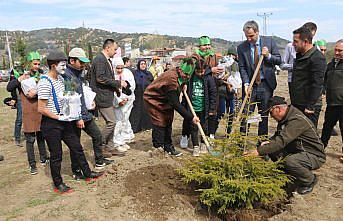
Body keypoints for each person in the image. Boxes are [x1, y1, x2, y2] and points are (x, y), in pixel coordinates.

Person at [38, 50, 103, 193]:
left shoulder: (62, 79)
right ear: (54, 65)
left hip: (65, 121)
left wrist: (77, 114)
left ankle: (87, 173)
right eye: (62, 64)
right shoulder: (44, 82)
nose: (64, 67)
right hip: (51, 124)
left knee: (77, 147)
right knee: (56, 155)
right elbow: (41, 108)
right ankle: (58, 184)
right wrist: (58, 117)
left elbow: (71, 97)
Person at [246, 96, 326, 195]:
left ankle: (309, 180)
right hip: (298, 151)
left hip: (313, 155)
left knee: (290, 161)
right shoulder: (286, 118)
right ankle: (287, 177)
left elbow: (281, 141)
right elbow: (278, 136)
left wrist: (258, 151)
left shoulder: (296, 120)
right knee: (271, 148)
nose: (271, 116)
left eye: (271, 112)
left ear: (278, 109)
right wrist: (267, 143)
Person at [63, 48, 114, 176]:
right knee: (76, 145)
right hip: (76, 116)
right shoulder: (69, 77)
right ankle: (76, 170)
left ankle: (99, 160)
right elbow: (71, 100)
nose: (83, 65)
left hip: (84, 113)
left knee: (97, 136)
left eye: (84, 62)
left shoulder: (77, 74)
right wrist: (79, 117)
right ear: (72, 60)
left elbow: (80, 93)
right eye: (81, 62)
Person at [144, 58, 200, 156]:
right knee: (160, 122)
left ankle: (168, 147)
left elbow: (181, 81)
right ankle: (158, 147)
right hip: (154, 98)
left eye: (188, 75)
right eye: (186, 75)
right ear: (180, 70)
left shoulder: (179, 73)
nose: (187, 77)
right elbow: (175, 104)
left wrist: (184, 83)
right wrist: (191, 117)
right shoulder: (171, 79)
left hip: (165, 97)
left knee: (168, 120)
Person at [237, 20, 281, 137]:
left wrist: (268, 56)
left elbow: (278, 60)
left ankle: (262, 143)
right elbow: (242, 67)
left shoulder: (269, 42)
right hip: (251, 85)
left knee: (264, 116)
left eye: (251, 36)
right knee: (246, 115)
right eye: (247, 36)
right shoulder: (241, 47)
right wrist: (246, 83)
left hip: (266, 85)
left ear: (257, 32)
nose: (249, 39)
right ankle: (241, 143)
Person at [7, 51, 48, 175]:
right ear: (29, 63)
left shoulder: (40, 74)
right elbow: (9, 87)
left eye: (38, 63)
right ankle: (32, 164)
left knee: (41, 135)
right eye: (35, 63)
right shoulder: (21, 75)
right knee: (30, 138)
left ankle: (44, 158)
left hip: (39, 107)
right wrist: (20, 79)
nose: (37, 66)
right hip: (28, 109)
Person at [89, 39, 128, 156]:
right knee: (111, 122)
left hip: (106, 95)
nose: (115, 52)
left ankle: (109, 147)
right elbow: (100, 78)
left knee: (112, 122)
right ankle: (99, 146)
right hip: (102, 97)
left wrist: (116, 88)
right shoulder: (100, 60)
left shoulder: (105, 60)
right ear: (108, 48)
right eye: (114, 49)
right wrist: (118, 83)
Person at [290, 26, 327, 128]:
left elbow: (317, 83)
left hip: (308, 107)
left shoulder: (317, 58)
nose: (293, 44)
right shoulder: (300, 56)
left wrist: (310, 106)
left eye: (295, 41)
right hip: (298, 103)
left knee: (308, 136)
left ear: (305, 42)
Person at [180, 56, 216, 156]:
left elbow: (213, 93)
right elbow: (183, 85)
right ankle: (195, 146)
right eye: (198, 72)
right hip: (193, 108)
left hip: (204, 108)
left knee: (205, 127)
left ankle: (203, 143)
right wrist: (183, 86)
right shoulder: (190, 79)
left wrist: (212, 109)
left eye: (202, 72)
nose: (200, 74)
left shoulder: (209, 78)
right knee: (193, 127)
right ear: (194, 70)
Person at [320, 39, 343, 163]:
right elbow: (324, 81)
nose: (337, 53)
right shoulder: (330, 64)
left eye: (340, 50)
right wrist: (323, 90)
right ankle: (319, 149)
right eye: (336, 50)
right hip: (332, 103)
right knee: (326, 128)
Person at [112, 57, 136, 152]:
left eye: (121, 68)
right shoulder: (112, 76)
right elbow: (112, 90)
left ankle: (123, 140)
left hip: (128, 101)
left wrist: (126, 97)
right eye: (117, 68)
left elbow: (132, 86)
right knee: (118, 121)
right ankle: (116, 142)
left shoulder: (127, 73)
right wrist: (119, 100)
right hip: (118, 103)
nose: (120, 70)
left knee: (125, 120)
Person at [129, 59, 153, 133]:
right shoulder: (135, 73)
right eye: (141, 64)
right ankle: (136, 127)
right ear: (138, 65)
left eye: (144, 64)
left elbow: (152, 83)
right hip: (137, 95)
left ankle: (147, 126)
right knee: (137, 111)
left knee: (146, 111)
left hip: (147, 95)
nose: (143, 65)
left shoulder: (148, 74)